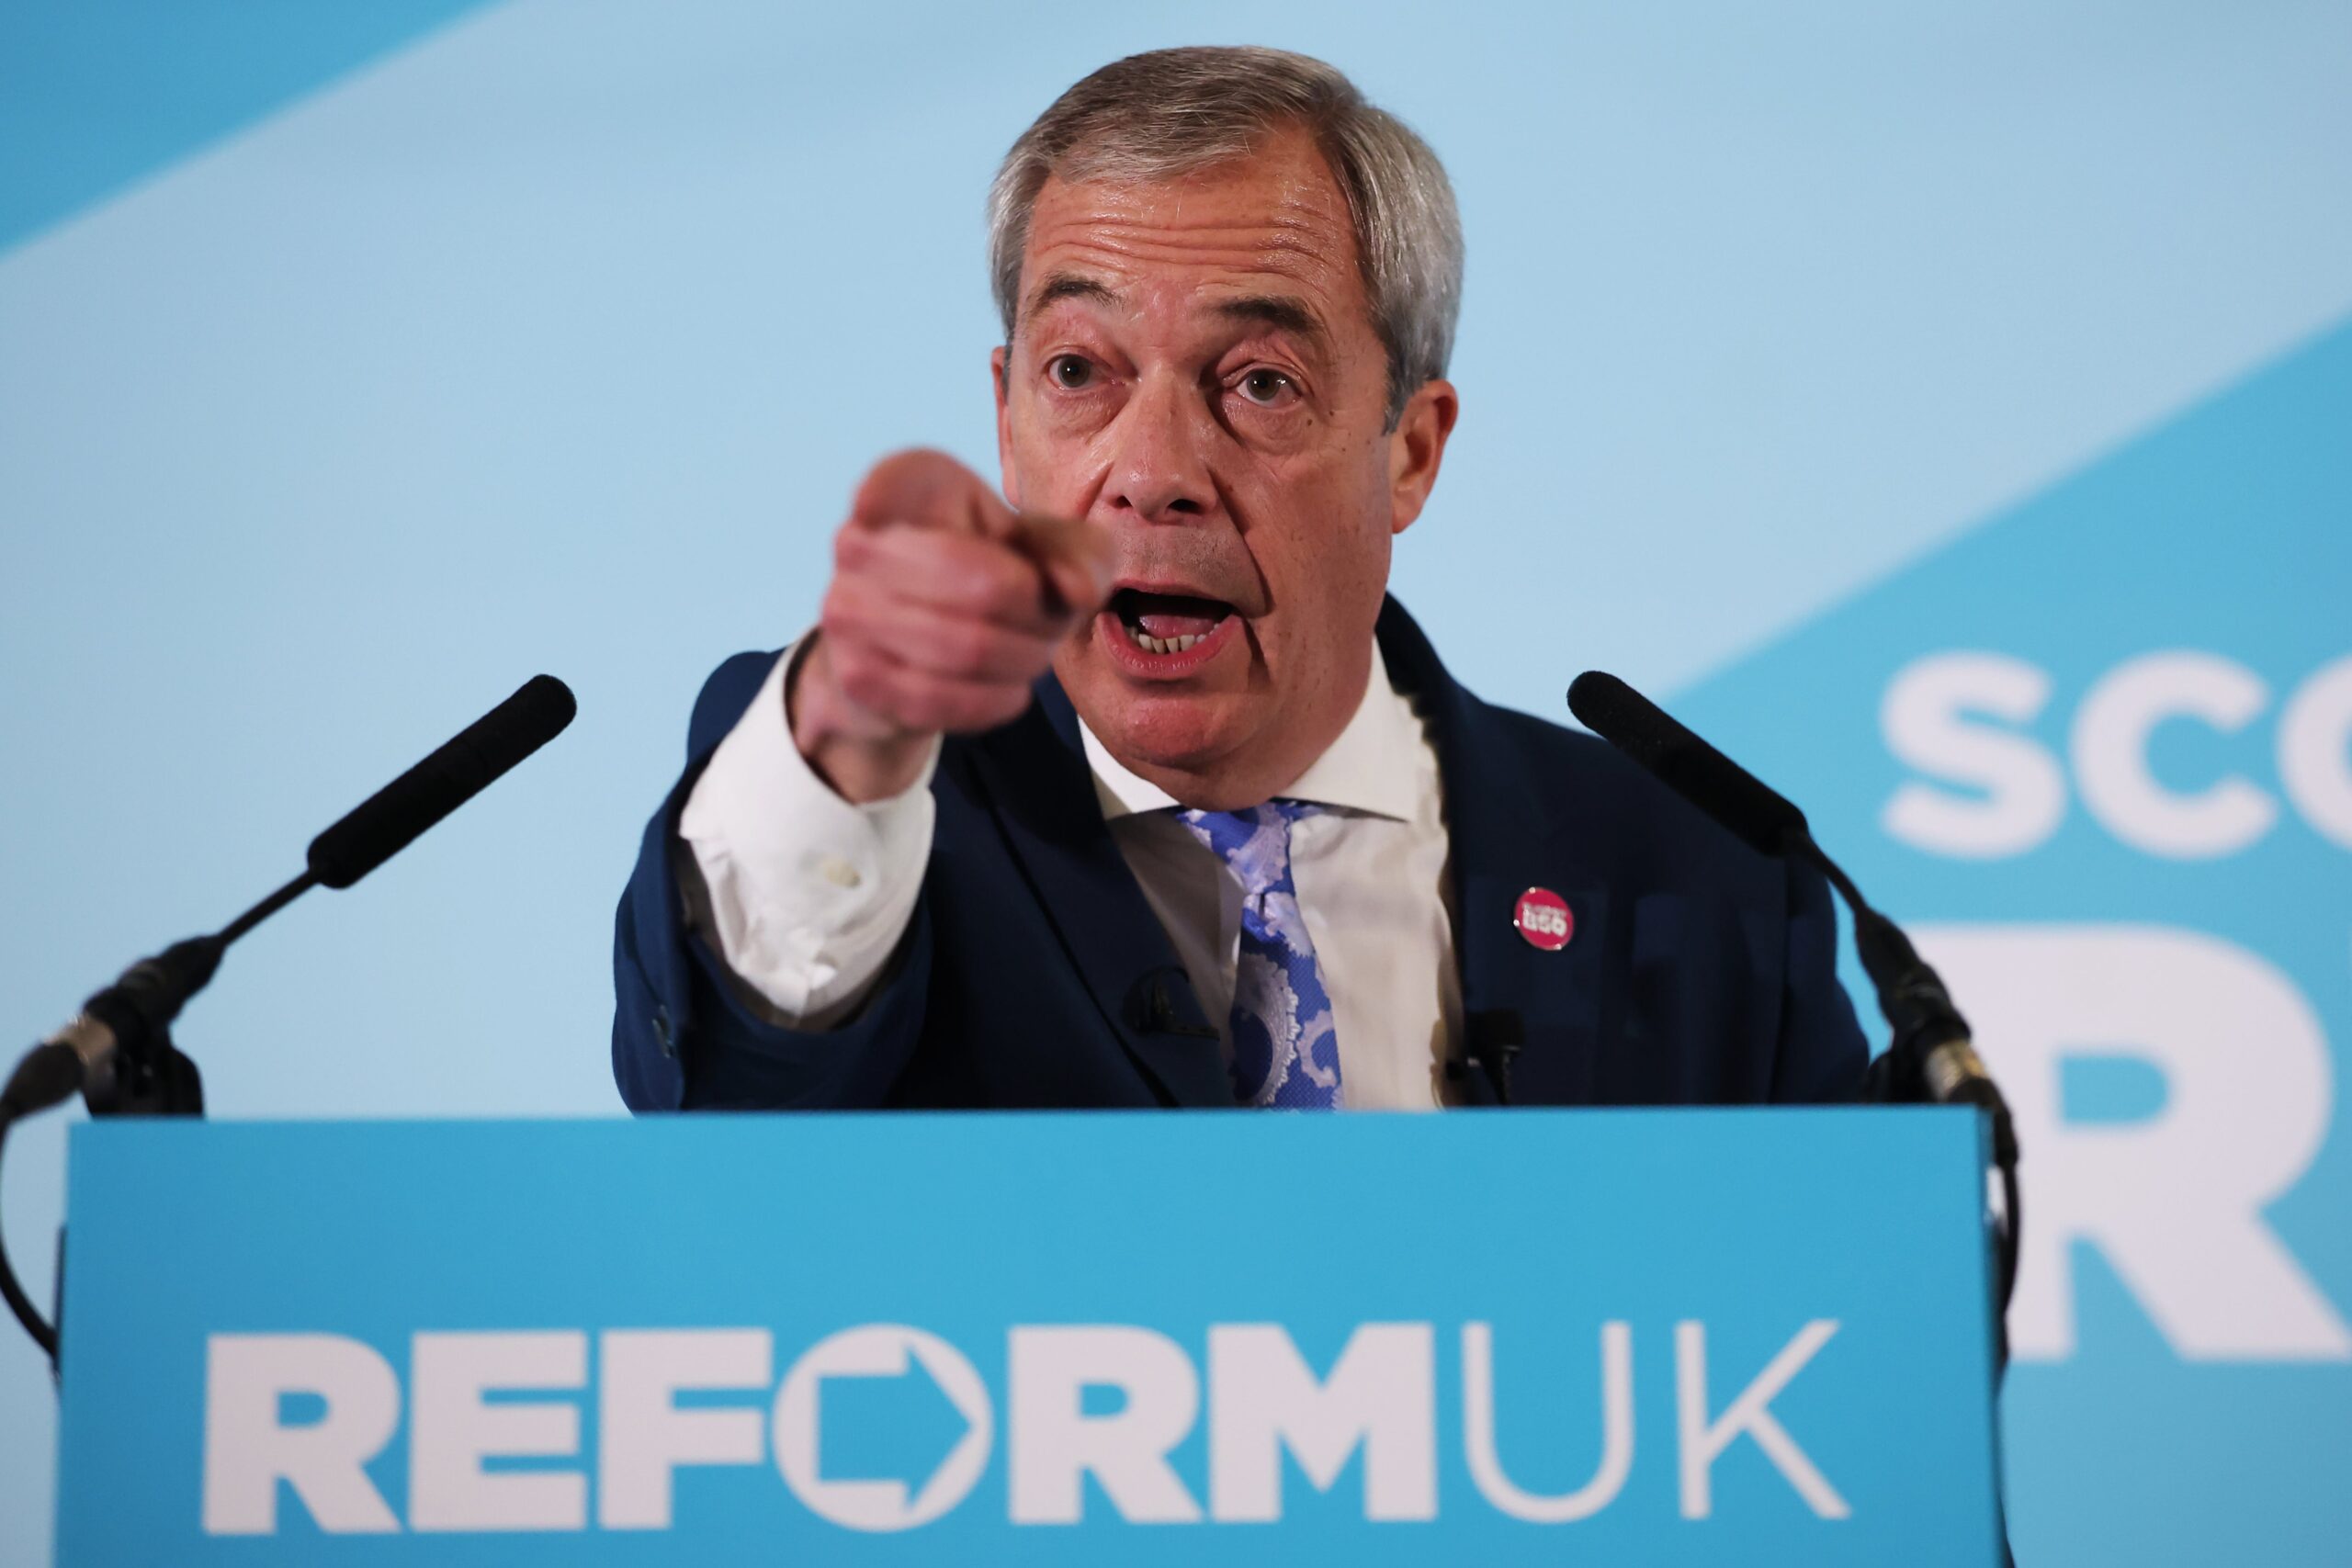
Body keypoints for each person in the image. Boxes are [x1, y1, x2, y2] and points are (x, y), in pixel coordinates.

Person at [612, 46, 1866, 1111]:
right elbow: (736, 1078)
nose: (1153, 473)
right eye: (1078, 373)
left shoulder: (1700, 886)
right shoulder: (858, 797)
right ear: (1005, 418)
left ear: (1410, 451)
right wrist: (846, 730)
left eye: (1260, 383)